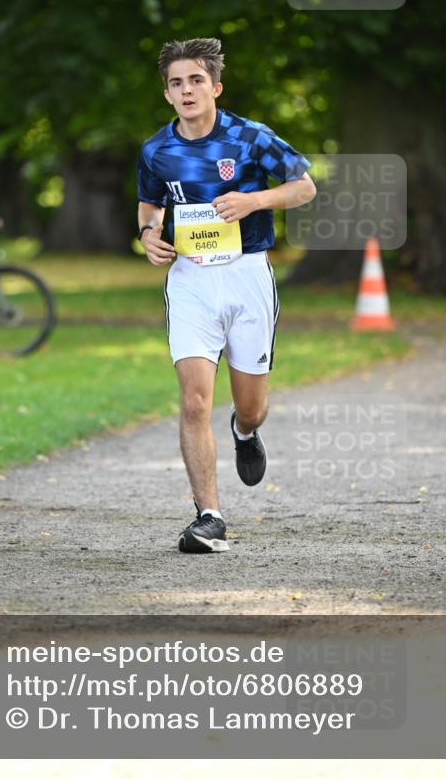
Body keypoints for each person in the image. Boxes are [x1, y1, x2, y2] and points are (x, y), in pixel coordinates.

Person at [136, 38, 317, 553]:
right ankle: (209, 517)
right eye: (176, 83)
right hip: (190, 281)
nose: (186, 90)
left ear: (214, 86)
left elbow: (304, 187)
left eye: (196, 80)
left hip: (247, 275)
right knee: (194, 400)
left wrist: (255, 199)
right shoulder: (155, 151)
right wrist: (149, 238)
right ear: (167, 94)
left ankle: (244, 431)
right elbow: (149, 210)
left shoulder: (250, 137)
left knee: (251, 406)